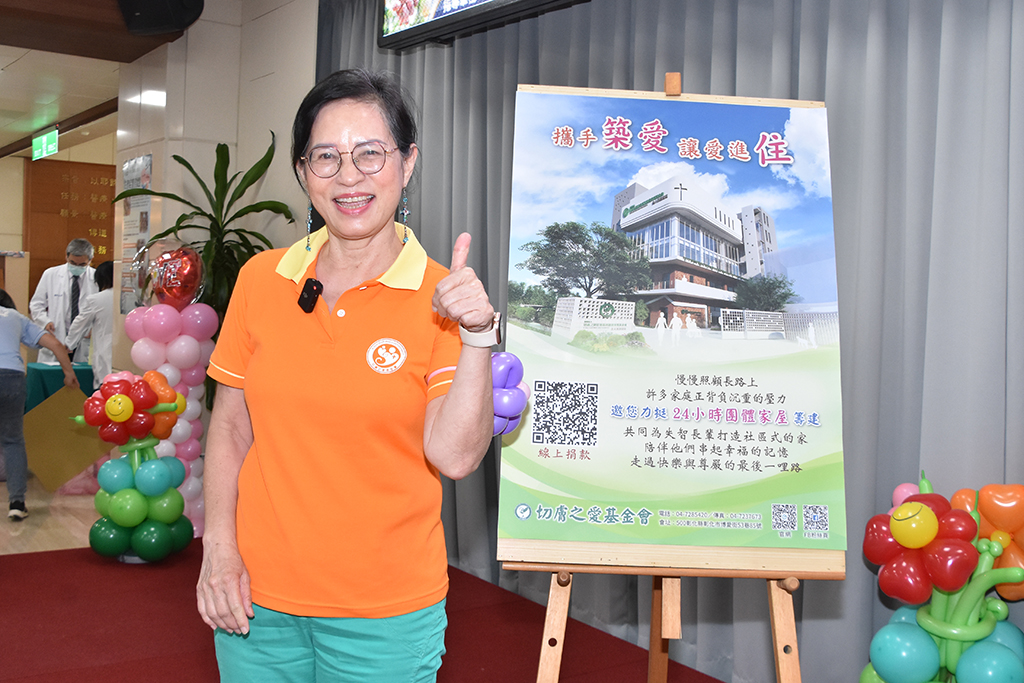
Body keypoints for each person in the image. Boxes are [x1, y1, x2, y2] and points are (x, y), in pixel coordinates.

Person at [196, 69, 497, 682]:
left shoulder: (443, 297)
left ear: (407, 163)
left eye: (370, 154)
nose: (349, 176)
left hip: (385, 613)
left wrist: (476, 335)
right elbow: (229, 427)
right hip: (255, 600)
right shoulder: (261, 279)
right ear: (303, 172)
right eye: (326, 156)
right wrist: (219, 549)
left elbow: (455, 456)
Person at [0, 288, 79, 520]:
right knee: (13, 441)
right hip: (12, 378)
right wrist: (69, 373)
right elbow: (55, 344)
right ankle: (17, 503)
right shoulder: (16, 317)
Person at [29, 238, 97, 364]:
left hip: (84, 338)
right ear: (66, 257)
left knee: (81, 373)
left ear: (90, 260)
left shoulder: (97, 278)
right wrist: (45, 321)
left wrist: (95, 328)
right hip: (57, 333)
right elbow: (36, 304)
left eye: (82, 265)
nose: (76, 267)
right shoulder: (50, 274)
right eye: (73, 263)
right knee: (55, 373)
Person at [65, 261, 114, 390]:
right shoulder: (133, 297)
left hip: (105, 359)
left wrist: (69, 345)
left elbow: (79, 324)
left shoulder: (96, 300)